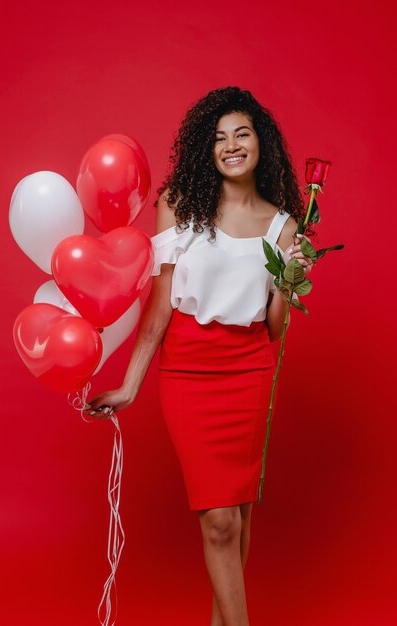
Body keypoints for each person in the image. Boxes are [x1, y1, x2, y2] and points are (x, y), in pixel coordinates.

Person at [86, 86, 314, 626]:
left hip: (249, 371)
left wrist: (292, 279)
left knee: (236, 519)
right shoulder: (179, 206)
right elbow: (160, 306)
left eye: (243, 133)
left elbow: (275, 327)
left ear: (262, 142)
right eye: (219, 138)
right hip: (189, 373)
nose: (232, 146)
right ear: (204, 150)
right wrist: (130, 384)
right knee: (218, 520)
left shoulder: (286, 226)